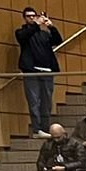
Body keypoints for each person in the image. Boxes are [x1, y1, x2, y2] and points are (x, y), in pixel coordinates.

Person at [15, 7, 60, 138]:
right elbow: (23, 36)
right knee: (34, 101)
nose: (32, 18)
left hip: (47, 72)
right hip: (31, 72)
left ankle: (45, 128)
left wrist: (51, 27)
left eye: (33, 15)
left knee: (47, 102)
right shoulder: (21, 32)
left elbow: (58, 40)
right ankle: (37, 129)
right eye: (28, 16)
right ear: (24, 18)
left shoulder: (44, 34)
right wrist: (36, 24)